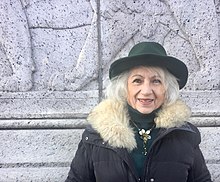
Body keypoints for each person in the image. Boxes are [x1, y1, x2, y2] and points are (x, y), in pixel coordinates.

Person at [65, 42, 212, 182]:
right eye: (137, 81)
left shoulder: (185, 135)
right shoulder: (95, 137)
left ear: (166, 89)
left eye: (156, 81)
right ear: (125, 88)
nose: (146, 91)